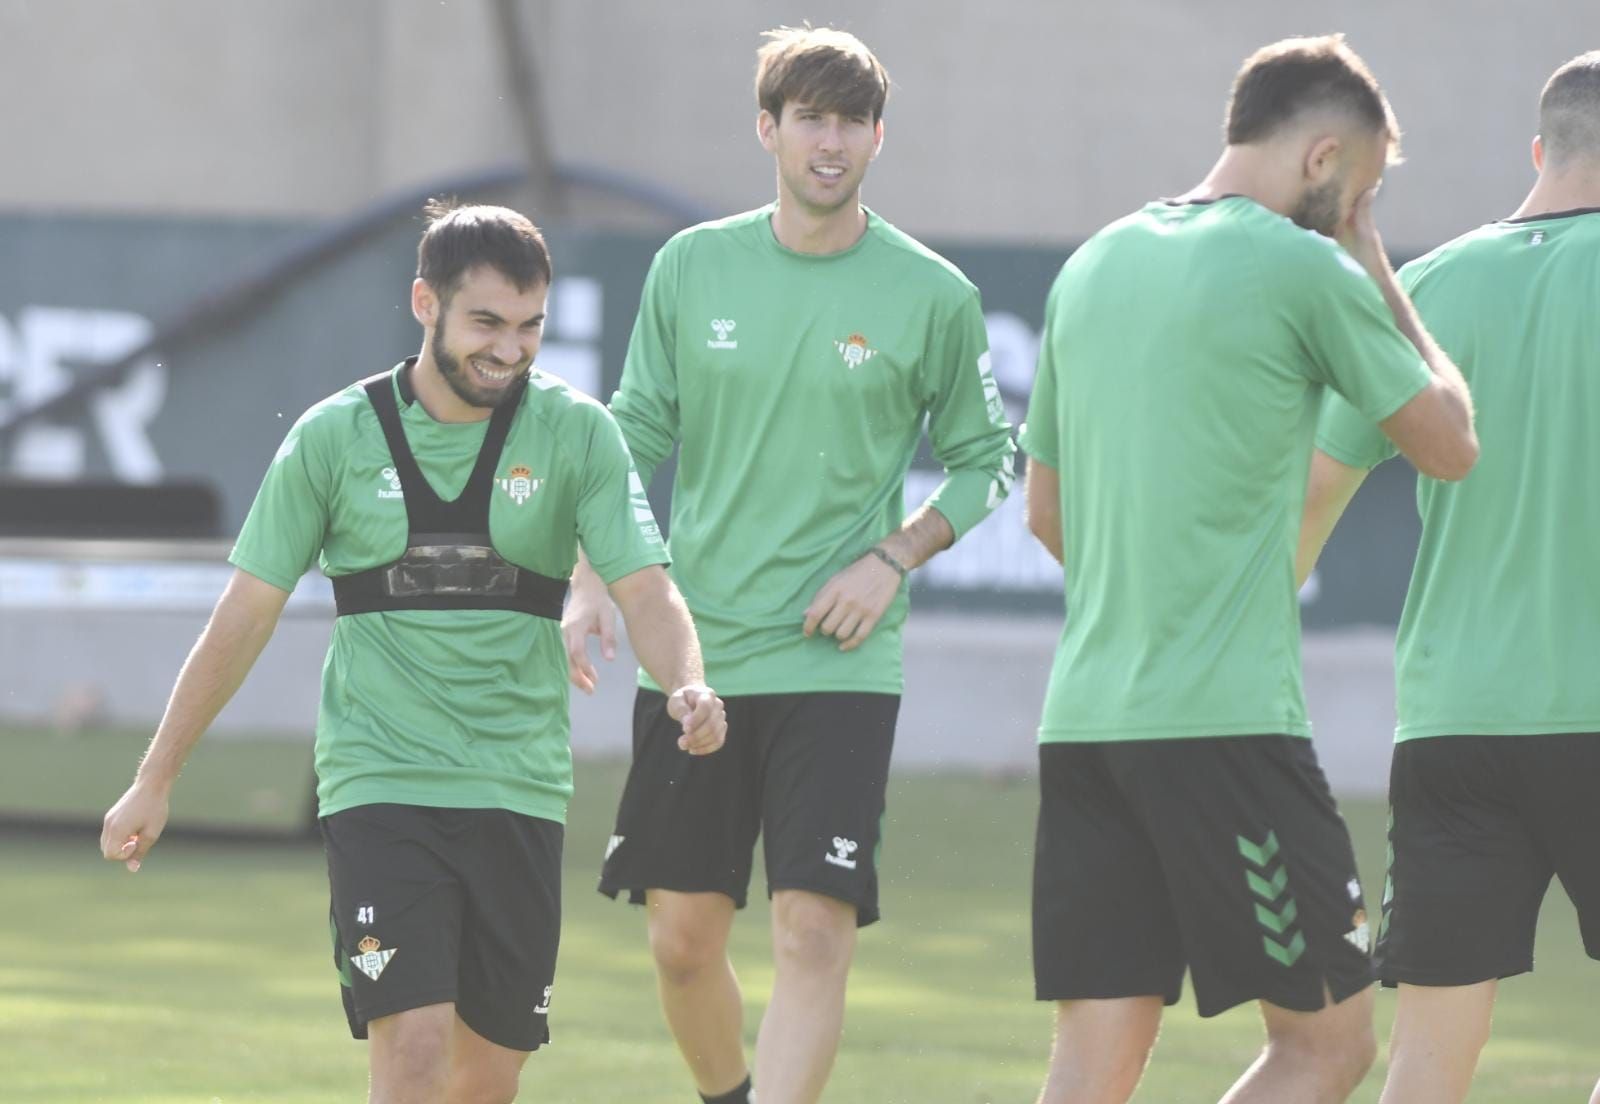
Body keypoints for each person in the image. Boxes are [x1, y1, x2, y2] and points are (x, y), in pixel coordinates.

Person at [99, 201, 727, 1104]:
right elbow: (242, 616)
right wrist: (156, 777)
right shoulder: (332, 438)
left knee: (487, 1079)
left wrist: (689, 684)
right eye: (486, 323)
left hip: (517, 786)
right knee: (414, 1053)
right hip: (380, 784)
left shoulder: (579, 432)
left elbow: (646, 588)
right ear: (425, 303)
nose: (509, 349)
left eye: (529, 327)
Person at [1019, 34, 1478, 1104]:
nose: (1354, 211)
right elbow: (1451, 443)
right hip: (1225, 729)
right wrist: (1375, 263)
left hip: (1084, 726)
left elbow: (1045, 512)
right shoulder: (1305, 266)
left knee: (1091, 1065)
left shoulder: (1093, 263)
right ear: (1322, 159)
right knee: (1327, 1045)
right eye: (1360, 189)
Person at [561, 25, 1015, 1104]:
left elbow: (990, 460)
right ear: (767, 129)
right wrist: (588, 576)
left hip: (838, 663)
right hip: (696, 655)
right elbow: (629, 432)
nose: (831, 141)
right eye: (810, 118)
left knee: (814, 931)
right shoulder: (691, 265)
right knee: (681, 943)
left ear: (877, 137)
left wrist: (893, 557)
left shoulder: (933, 293)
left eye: (852, 121)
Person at [1297, 50, 1600, 1104]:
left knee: (1425, 1068)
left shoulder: (1424, 288)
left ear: (1539, 150)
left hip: (1456, 724)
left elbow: (1308, 498)